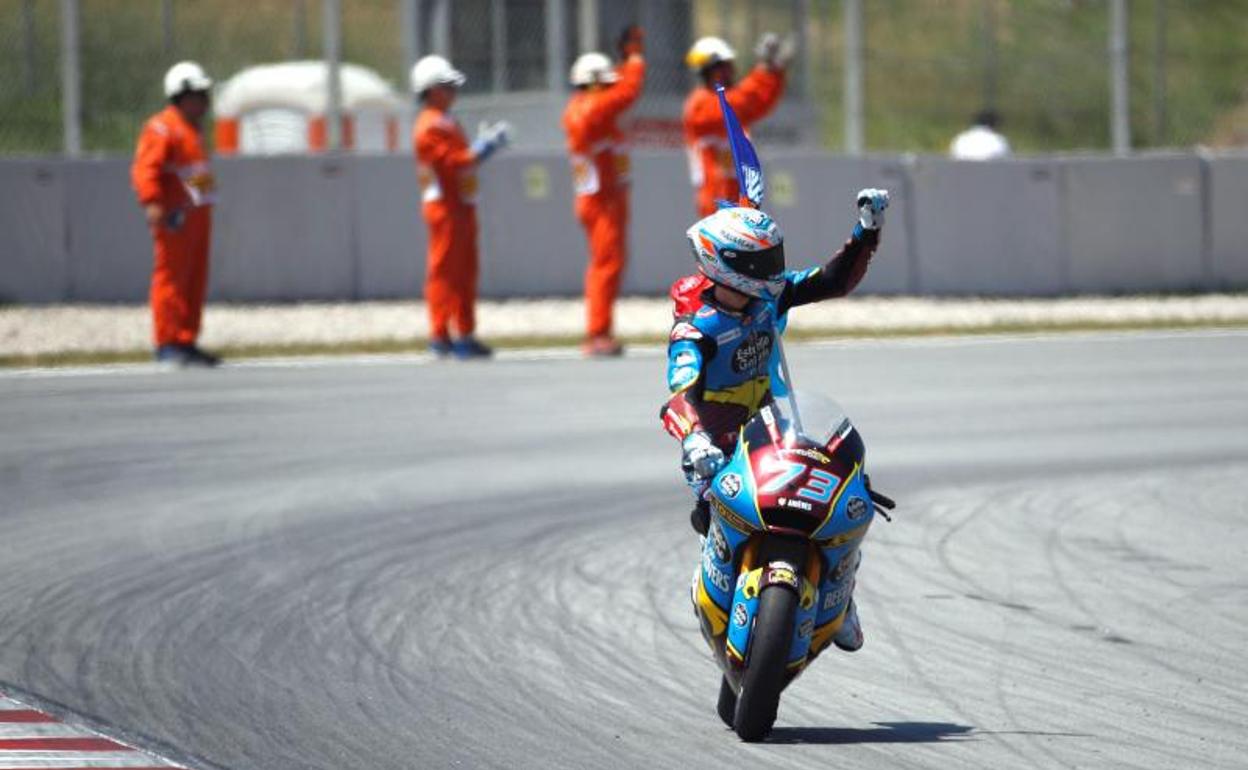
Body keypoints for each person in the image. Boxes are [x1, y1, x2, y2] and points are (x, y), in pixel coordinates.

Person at [659, 189, 891, 652]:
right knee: (710, 514)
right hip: (714, 444)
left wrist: (866, 231)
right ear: (725, 263)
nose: (773, 271)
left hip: (772, 425)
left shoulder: (768, 299)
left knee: (840, 492)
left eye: (773, 260)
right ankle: (716, 589)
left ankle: (840, 597)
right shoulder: (695, 328)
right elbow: (680, 392)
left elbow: (830, 281)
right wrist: (694, 441)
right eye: (761, 262)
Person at [411, 55, 512, 359]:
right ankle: (440, 334)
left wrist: (479, 146)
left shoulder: (446, 121)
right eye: (446, 86)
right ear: (430, 90)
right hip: (444, 208)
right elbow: (453, 162)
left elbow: (461, 158)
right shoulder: (428, 126)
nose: (453, 92)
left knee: (466, 272)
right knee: (444, 272)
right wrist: (484, 147)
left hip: (461, 206)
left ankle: (465, 334)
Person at [561, 27, 646, 357]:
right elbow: (625, 94)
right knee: (605, 265)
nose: (612, 89)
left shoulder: (593, 110)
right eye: (606, 84)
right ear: (594, 83)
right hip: (600, 203)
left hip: (606, 199)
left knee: (609, 263)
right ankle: (596, 333)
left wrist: (624, 60)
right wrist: (635, 60)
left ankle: (602, 330)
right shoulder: (588, 111)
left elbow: (617, 94)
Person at [131, 61, 219, 367]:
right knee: (171, 280)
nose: (205, 101)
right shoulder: (162, 127)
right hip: (174, 219)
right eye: (199, 94)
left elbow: (195, 174)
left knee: (194, 280)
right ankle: (168, 342)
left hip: (196, 220)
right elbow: (146, 169)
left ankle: (186, 340)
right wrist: (153, 202)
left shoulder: (192, 130)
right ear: (181, 95)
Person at [683, 34, 791, 217]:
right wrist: (762, 71)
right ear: (709, 70)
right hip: (714, 201)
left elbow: (760, 103)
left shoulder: (732, 103)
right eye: (724, 67)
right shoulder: (699, 104)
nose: (731, 72)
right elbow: (737, 103)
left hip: (739, 198)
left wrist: (775, 73)